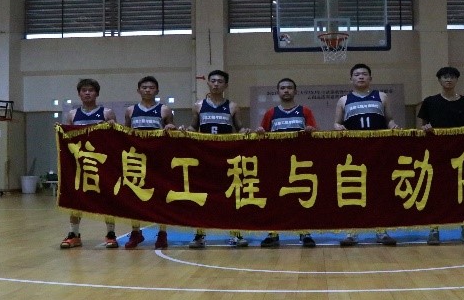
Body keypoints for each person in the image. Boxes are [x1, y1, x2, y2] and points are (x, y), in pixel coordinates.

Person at [334, 63, 400, 247]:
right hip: (354, 153)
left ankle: (381, 231)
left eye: (364, 74)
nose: (361, 77)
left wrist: (393, 126)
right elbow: (337, 123)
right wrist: (338, 127)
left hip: (378, 152)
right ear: (351, 79)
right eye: (357, 74)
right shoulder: (343, 100)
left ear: (370, 78)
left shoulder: (382, 96)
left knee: (379, 191)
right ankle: (352, 232)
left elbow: (389, 119)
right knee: (353, 190)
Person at [417, 66, 464, 246]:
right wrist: (425, 128)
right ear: (439, 80)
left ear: (456, 80)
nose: (448, 79)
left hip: (462, 155)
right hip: (437, 155)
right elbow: (422, 126)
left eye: (452, 76)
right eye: (445, 77)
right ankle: (434, 229)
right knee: (436, 192)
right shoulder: (430, 102)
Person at [186, 69, 251, 249]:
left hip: (226, 159)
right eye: (213, 81)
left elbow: (240, 128)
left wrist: (245, 131)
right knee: (202, 197)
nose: (216, 84)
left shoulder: (233, 106)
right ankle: (199, 235)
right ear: (208, 83)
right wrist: (185, 131)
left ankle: (235, 234)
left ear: (226, 85)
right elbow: (193, 127)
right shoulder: (198, 106)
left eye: (220, 81)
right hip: (204, 158)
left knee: (230, 195)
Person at [255, 78, 318, 248]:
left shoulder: (305, 111)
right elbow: (263, 135)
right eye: (282, 88)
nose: (286, 90)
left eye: (289, 88)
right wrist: (260, 132)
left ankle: (304, 232)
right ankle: (273, 233)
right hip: (277, 163)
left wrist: (312, 130)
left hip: (300, 164)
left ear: (295, 91)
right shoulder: (270, 113)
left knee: (302, 198)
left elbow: (316, 133)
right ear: (278, 92)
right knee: (275, 199)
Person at [60, 78, 119, 249]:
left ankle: (111, 233)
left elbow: (117, 138)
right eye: (84, 90)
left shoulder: (107, 113)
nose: (87, 93)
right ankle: (74, 234)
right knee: (76, 198)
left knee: (108, 197)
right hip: (80, 164)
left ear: (97, 93)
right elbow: (67, 139)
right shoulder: (72, 115)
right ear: (79, 94)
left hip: (102, 163)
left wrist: (113, 127)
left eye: (91, 90)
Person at [123, 75, 177, 249]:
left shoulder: (165, 110)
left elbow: (172, 133)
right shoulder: (130, 110)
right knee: (135, 197)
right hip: (136, 159)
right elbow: (125, 134)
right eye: (144, 87)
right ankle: (136, 232)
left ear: (157, 90)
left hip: (157, 159)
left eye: (151, 87)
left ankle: (162, 233)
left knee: (161, 196)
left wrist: (171, 127)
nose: (148, 90)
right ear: (138, 90)